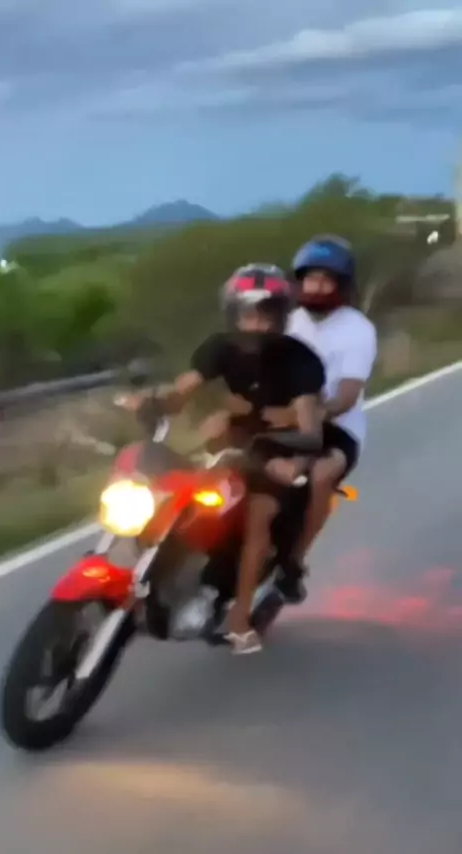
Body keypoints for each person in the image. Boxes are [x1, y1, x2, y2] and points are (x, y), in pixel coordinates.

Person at [125, 263, 326, 653]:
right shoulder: (220, 348)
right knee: (177, 492)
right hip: (235, 441)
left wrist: (277, 448)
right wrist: (151, 402)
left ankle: (239, 617)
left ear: (281, 318)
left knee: (259, 516)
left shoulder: (301, 360)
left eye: (266, 315)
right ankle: (162, 571)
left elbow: (309, 429)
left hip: (280, 448)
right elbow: (181, 393)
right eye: (248, 314)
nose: (256, 324)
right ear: (233, 315)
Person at [281, 235, 377, 603]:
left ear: (342, 285)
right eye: (310, 278)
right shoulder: (289, 322)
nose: (316, 287)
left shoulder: (358, 329)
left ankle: (294, 562)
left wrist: (318, 413)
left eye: (325, 280)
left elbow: (347, 395)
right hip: (286, 417)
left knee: (321, 475)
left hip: (339, 427)